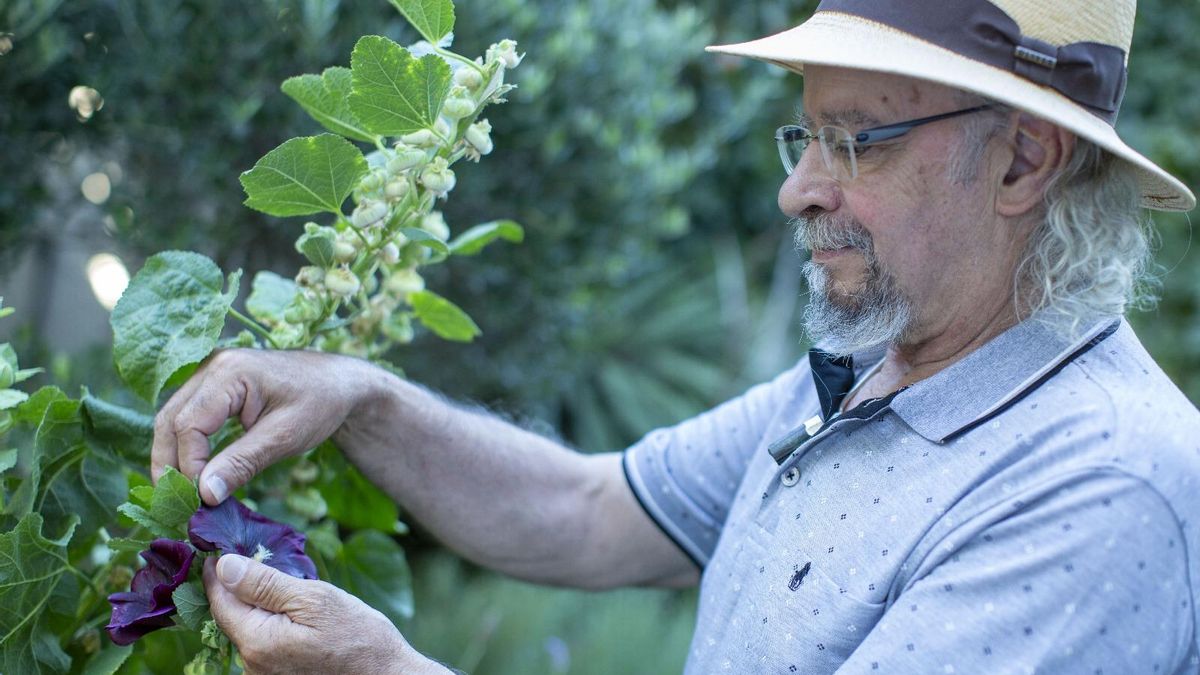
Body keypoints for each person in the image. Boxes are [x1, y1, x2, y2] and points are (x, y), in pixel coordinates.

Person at [153, 0, 1200, 672]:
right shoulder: (876, 374)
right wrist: (358, 395)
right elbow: (588, 509)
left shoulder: (1102, 485)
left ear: (1024, 161)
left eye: (854, 143)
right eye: (806, 135)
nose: (797, 190)